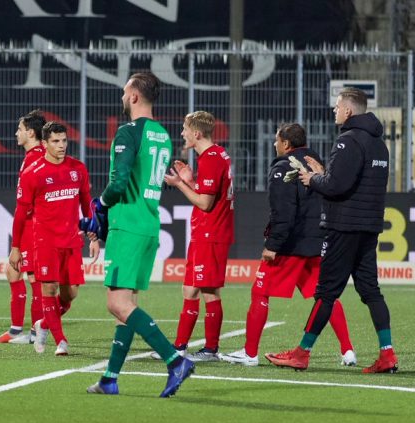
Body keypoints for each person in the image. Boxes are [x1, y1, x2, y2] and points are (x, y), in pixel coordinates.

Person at [265, 88, 398, 373]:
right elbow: (353, 182)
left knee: (325, 293)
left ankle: (301, 353)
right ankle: (387, 354)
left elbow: (336, 186)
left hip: (343, 226)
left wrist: (312, 178)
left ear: (349, 110)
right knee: (370, 290)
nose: (334, 110)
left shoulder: (347, 141)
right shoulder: (379, 144)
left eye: (337, 106)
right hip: (369, 225)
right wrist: (324, 172)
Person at [86, 72, 196, 397]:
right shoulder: (162, 134)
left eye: (124, 92)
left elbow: (118, 183)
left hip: (129, 226)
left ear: (134, 95)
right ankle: (110, 378)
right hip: (148, 224)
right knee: (127, 307)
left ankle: (175, 360)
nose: (122, 97)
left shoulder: (128, 132)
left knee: (117, 304)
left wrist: (100, 205)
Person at [218, 123, 356, 367]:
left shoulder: (282, 168)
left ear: (286, 144)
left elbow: (284, 212)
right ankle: (348, 351)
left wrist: (273, 244)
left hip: (292, 245)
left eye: (276, 140)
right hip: (318, 242)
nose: (274, 145)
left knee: (260, 291)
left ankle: (249, 354)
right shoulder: (318, 163)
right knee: (326, 296)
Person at [9, 121, 99, 356]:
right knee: (49, 289)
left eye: (64, 141)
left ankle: (43, 324)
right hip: (45, 242)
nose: (61, 146)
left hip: (71, 242)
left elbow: (87, 204)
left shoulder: (78, 168)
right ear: (45, 143)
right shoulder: (33, 174)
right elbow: (20, 215)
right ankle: (61, 341)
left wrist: (94, 235)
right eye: (56, 142)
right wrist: (15, 247)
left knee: (70, 295)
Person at [162, 110, 235, 362]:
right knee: (193, 289)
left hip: (210, 233)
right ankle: (182, 347)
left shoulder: (211, 159)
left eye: (184, 129)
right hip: (208, 232)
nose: (182, 133)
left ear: (196, 133)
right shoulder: (217, 155)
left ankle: (207, 349)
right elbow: (207, 196)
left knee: (203, 292)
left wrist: (179, 185)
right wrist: (190, 180)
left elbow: (204, 203)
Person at [0, 109, 46, 344]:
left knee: (34, 279)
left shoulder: (37, 159)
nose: (16, 133)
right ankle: (16, 329)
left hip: (34, 228)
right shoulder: (34, 156)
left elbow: (30, 203)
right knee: (13, 271)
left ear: (30, 133)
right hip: (30, 228)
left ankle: (35, 334)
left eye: (20, 129)